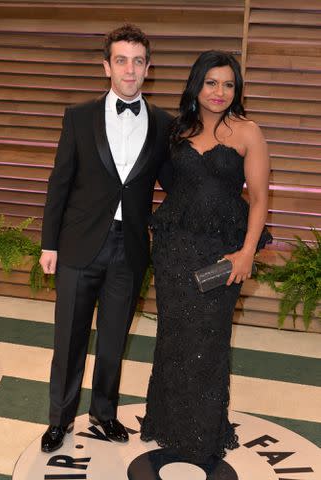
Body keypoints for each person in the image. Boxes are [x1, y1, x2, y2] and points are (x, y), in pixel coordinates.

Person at [39, 24, 173, 453]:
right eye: (121, 60)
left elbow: (175, 183)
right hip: (78, 245)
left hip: (129, 250)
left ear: (148, 68)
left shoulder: (164, 124)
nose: (130, 69)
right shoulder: (78, 116)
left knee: (114, 341)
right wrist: (48, 243)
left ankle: (103, 413)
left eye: (138, 61)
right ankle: (59, 420)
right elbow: (59, 182)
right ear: (106, 66)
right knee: (69, 340)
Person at [140, 50, 272, 463]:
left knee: (210, 341)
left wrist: (247, 252)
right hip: (174, 249)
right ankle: (166, 422)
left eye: (228, 84)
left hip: (224, 252)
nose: (220, 92)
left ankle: (203, 431)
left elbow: (260, 200)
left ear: (237, 90)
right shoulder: (176, 130)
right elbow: (162, 182)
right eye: (211, 82)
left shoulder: (248, 132)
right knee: (174, 338)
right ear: (196, 84)